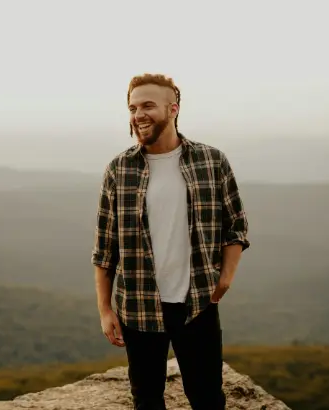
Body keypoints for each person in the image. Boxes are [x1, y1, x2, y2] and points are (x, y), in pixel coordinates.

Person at [91, 73, 250, 410]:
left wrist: (226, 277)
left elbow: (235, 226)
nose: (138, 115)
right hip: (138, 307)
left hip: (198, 305)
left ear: (173, 109)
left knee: (207, 398)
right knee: (147, 400)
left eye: (148, 105)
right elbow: (105, 250)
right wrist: (105, 310)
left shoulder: (212, 161)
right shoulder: (118, 170)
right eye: (133, 108)